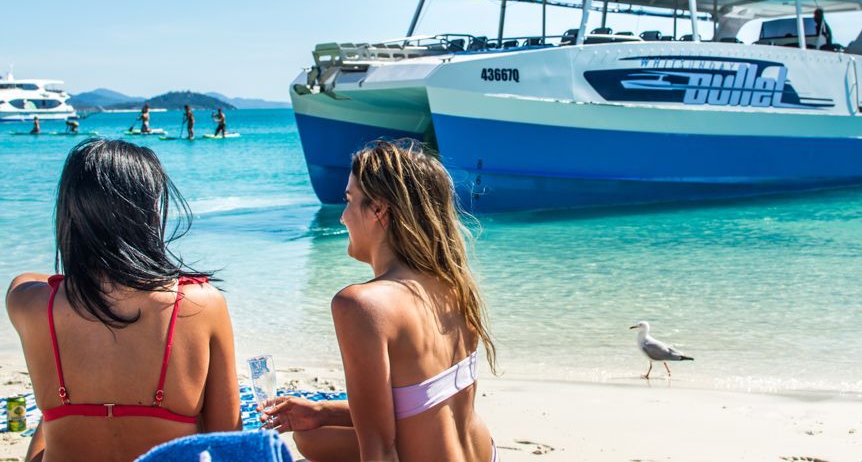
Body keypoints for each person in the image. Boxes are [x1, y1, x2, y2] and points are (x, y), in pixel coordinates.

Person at [260, 139, 497, 462]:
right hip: (484, 454)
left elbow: (381, 451)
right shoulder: (452, 284)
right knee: (311, 435)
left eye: (349, 200)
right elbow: (428, 404)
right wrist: (321, 411)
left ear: (379, 210)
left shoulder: (361, 305)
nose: (343, 217)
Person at [6, 139, 241, 462]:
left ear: (71, 212)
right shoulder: (200, 303)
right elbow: (227, 438)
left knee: (51, 422)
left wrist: (88, 271)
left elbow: (27, 278)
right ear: (148, 214)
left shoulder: (29, 303)